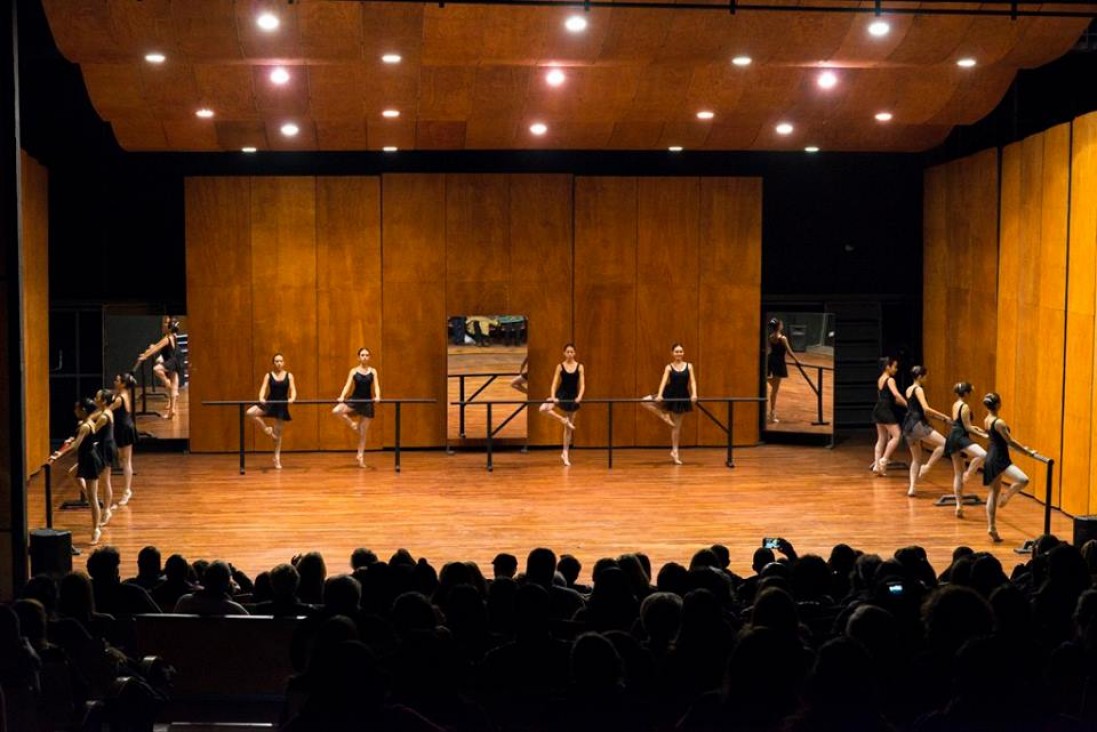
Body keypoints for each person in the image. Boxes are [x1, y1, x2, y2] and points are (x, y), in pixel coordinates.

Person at [49, 399, 104, 545]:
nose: (75, 411)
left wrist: (59, 455)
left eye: (77, 408)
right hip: (86, 458)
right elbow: (77, 439)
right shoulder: (84, 424)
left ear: (84, 410)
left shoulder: (86, 426)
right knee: (72, 473)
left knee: (93, 499)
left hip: (90, 460)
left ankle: (96, 529)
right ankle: (87, 495)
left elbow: (75, 447)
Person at [982, 392, 1035, 543]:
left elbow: (996, 439)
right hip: (999, 458)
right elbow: (1010, 442)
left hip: (991, 456)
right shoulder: (999, 422)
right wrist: (1027, 452)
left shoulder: (987, 420)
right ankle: (1006, 496)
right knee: (1023, 479)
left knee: (993, 492)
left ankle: (992, 527)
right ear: (998, 404)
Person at [641, 343, 698, 465]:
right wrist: (660, 394)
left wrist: (694, 394)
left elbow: (692, 381)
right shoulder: (669, 367)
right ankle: (663, 415)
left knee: (676, 427)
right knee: (644, 401)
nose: (679, 353)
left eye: (681, 351)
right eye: (676, 351)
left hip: (682, 397)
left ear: (683, 353)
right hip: (669, 394)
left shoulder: (689, 366)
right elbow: (663, 381)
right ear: (672, 353)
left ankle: (675, 452)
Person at [902, 366, 950, 497]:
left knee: (916, 459)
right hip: (917, 424)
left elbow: (915, 409)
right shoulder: (918, 389)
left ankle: (912, 488)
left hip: (908, 426)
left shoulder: (908, 389)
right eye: (925, 376)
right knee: (944, 443)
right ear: (919, 377)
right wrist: (944, 417)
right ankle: (927, 466)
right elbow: (926, 409)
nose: (926, 379)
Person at [943, 382, 989, 518]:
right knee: (983, 454)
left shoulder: (955, 404)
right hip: (959, 436)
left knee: (957, 473)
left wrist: (976, 428)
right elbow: (967, 427)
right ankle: (969, 474)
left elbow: (961, 424)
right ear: (967, 393)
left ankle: (959, 505)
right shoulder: (965, 406)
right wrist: (983, 435)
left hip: (953, 435)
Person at [246, 353, 297, 470]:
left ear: (284, 363)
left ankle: (276, 457)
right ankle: (266, 429)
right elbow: (263, 388)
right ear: (273, 363)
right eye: (276, 361)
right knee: (250, 412)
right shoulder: (268, 375)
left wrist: (292, 398)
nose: (279, 363)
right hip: (270, 402)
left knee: (278, 434)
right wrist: (261, 398)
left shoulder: (289, 375)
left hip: (282, 404)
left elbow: (293, 390)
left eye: (281, 361)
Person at [539, 344, 585, 467]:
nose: (569, 354)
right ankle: (562, 419)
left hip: (573, 397)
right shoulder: (559, 366)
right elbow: (554, 383)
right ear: (564, 353)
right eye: (567, 352)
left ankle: (565, 453)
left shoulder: (580, 367)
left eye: (572, 352)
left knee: (568, 429)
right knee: (543, 408)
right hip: (561, 395)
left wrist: (580, 397)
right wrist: (553, 396)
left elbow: (583, 384)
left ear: (574, 353)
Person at [333, 347, 380, 468]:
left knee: (363, 433)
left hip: (367, 402)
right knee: (337, 410)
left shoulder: (373, 371)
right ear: (358, 357)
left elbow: (376, 386)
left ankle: (360, 456)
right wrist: (342, 396)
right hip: (355, 399)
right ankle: (353, 424)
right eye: (362, 355)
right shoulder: (353, 371)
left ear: (369, 357)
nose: (365, 357)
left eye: (367, 355)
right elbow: (347, 385)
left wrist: (378, 396)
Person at [137, 317, 181, 419]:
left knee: (156, 369)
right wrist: (146, 352)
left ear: (169, 328)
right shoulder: (171, 336)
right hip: (174, 361)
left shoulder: (167, 338)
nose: (164, 327)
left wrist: (145, 356)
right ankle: (172, 411)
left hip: (171, 361)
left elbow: (157, 348)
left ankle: (167, 382)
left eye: (166, 325)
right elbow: (156, 345)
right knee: (174, 388)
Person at [871, 357, 907, 477]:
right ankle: (884, 460)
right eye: (894, 367)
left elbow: (885, 397)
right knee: (897, 435)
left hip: (878, 409)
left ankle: (877, 465)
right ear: (888, 366)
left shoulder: (880, 379)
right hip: (885, 410)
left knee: (881, 438)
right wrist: (908, 404)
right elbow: (896, 394)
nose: (896, 369)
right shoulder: (890, 380)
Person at [765, 318, 802, 424]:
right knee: (775, 390)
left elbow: (769, 350)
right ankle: (772, 414)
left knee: (774, 387)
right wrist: (797, 360)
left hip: (771, 360)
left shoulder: (771, 336)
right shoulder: (783, 338)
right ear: (779, 326)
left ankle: (771, 413)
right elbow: (789, 352)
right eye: (781, 324)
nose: (782, 325)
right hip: (779, 363)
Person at [110, 372, 138, 506]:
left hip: (125, 429)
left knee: (126, 461)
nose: (115, 381)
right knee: (123, 460)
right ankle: (126, 490)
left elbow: (107, 410)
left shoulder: (120, 398)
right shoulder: (121, 393)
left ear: (123, 384)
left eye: (117, 380)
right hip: (121, 428)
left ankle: (127, 490)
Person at [92, 389, 118, 526]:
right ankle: (104, 506)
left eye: (97, 397)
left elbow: (93, 430)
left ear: (103, 401)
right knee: (104, 480)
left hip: (106, 448)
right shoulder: (105, 412)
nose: (95, 399)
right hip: (105, 446)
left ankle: (107, 510)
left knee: (105, 480)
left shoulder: (104, 416)